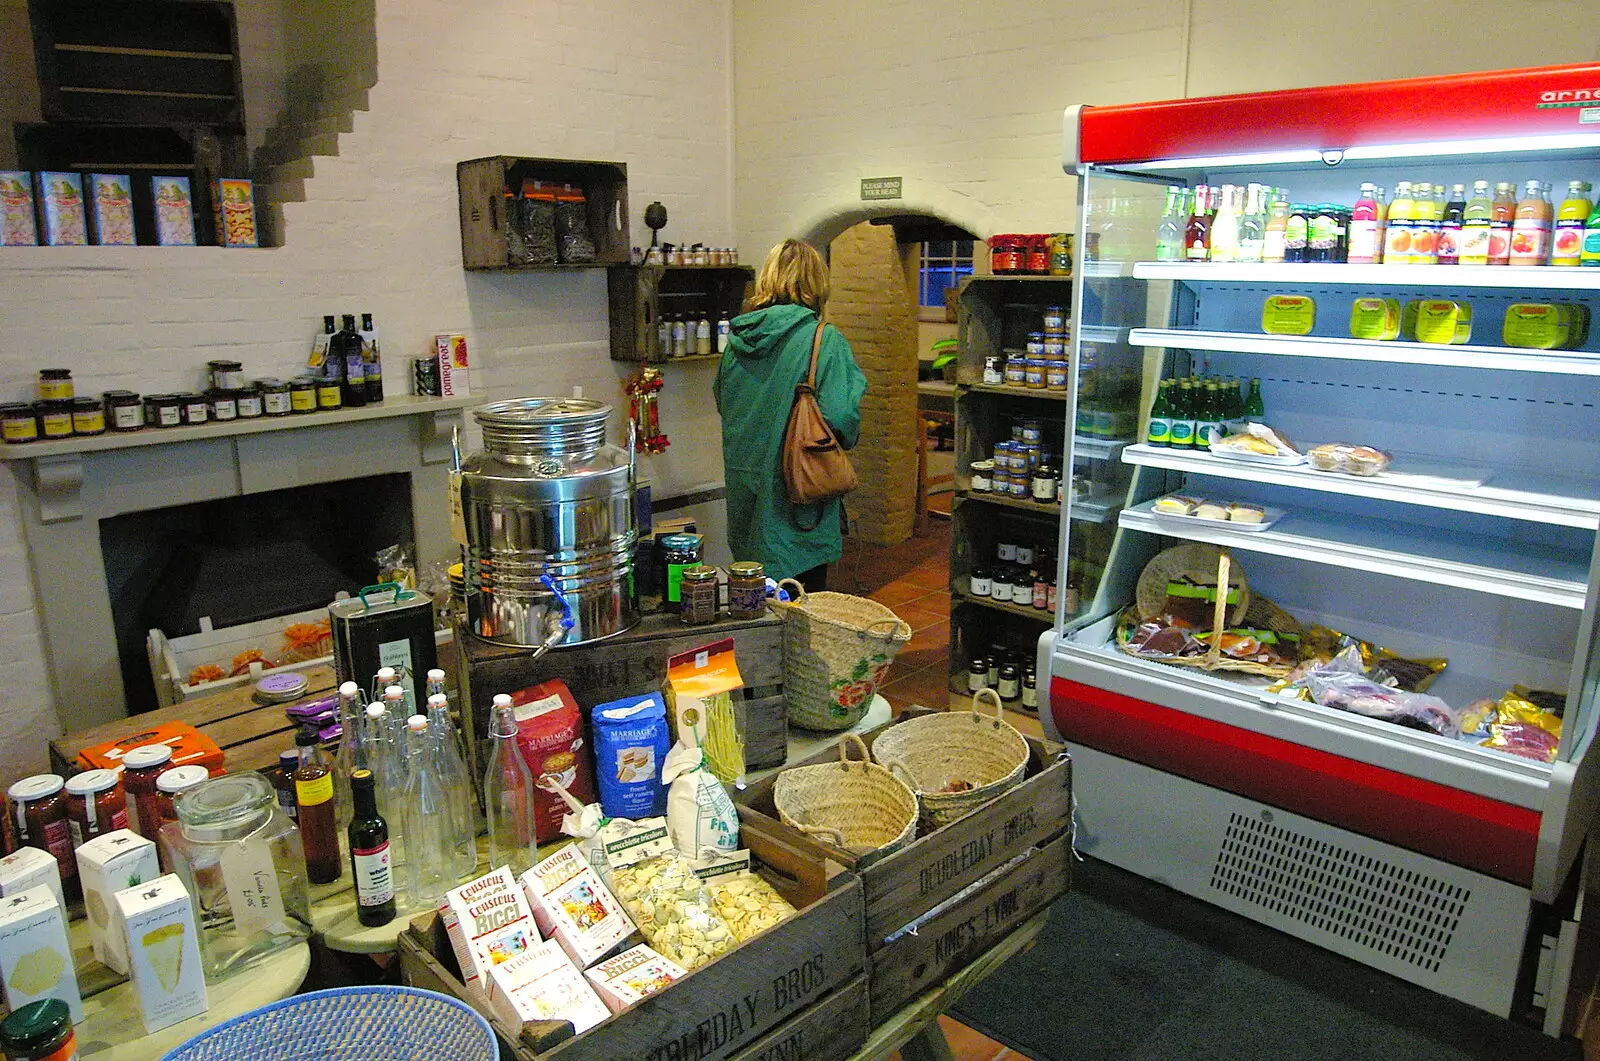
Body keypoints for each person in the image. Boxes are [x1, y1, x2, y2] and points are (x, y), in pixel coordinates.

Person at [714, 239, 867, 591]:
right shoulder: (823, 340)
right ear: (817, 284)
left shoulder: (737, 341)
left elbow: (724, 403)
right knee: (801, 610)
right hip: (798, 499)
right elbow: (842, 417)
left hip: (745, 495)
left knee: (755, 603)